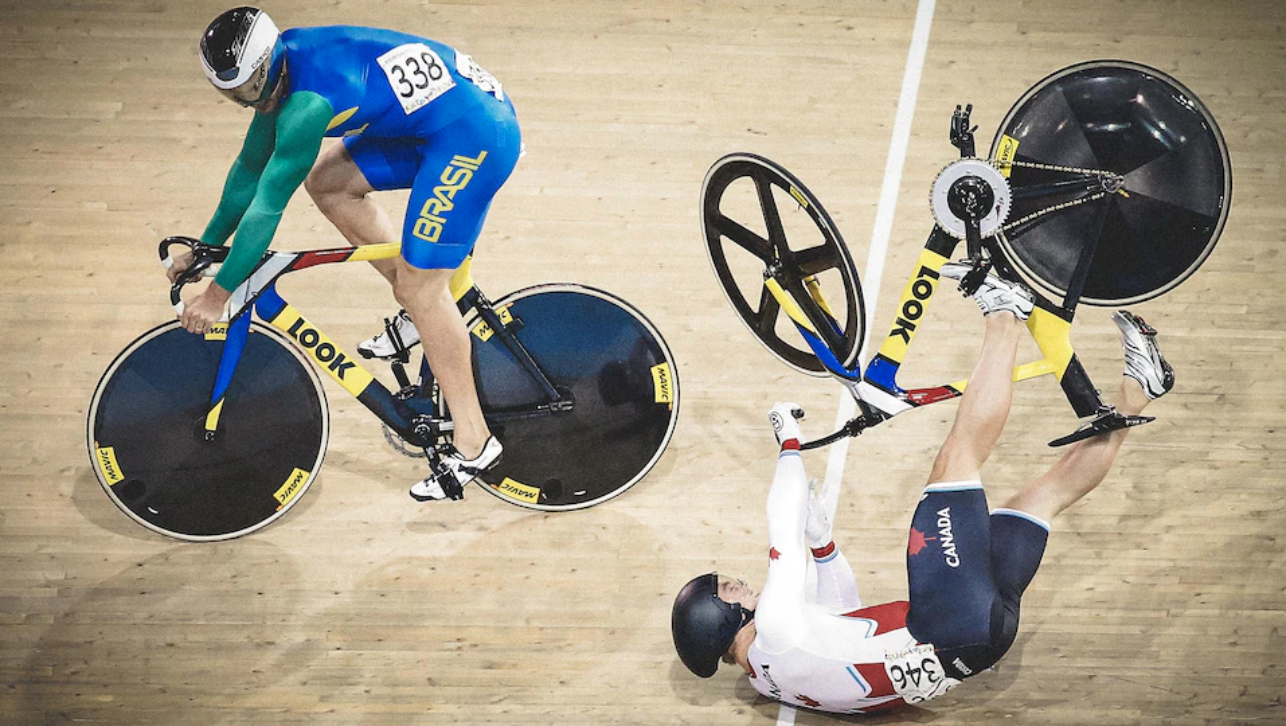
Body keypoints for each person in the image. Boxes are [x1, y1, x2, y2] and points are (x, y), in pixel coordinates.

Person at [671, 266, 1175, 714]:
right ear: (722, 618)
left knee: (1041, 499)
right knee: (955, 460)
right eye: (731, 589)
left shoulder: (767, 679)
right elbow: (780, 519)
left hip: (977, 641)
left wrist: (823, 545)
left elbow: (844, 614)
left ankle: (1142, 385)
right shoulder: (774, 633)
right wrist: (789, 441)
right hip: (946, 621)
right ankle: (1005, 313)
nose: (742, 583)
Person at [167, 7, 521, 501]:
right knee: (329, 183)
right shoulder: (282, 75)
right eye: (233, 95)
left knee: (421, 289)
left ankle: (474, 440)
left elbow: (268, 206)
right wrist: (205, 247)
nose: (248, 102)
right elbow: (249, 169)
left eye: (250, 89)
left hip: (474, 134)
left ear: (271, 65)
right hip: (438, 121)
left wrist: (218, 293)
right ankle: (425, 307)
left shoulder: (306, 105)